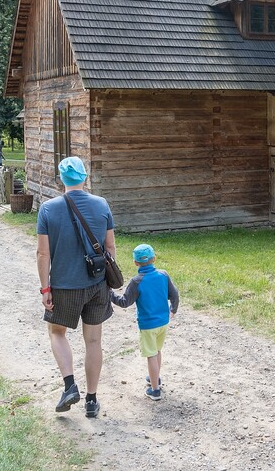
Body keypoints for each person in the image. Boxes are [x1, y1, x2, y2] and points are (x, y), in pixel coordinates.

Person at [36, 156, 116, 417]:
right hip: (96, 284)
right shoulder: (102, 204)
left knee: (57, 332)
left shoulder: (48, 209)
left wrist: (45, 288)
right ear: (84, 177)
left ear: (61, 179)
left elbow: (43, 254)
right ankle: (92, 401)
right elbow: (110, 249)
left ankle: (70, 386)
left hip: (64, 286)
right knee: (93, 340)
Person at [110, 243, 179, 401]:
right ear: (154, 258)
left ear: (135, 263)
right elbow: (174, 295)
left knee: (151, 355)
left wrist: (110, 294)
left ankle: (155, 390)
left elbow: (124, 302)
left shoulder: (137, 281)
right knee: (157, 351)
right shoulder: (163, 275)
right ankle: (156, 378)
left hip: (148, 325)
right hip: (163, 322)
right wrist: (173, 310)